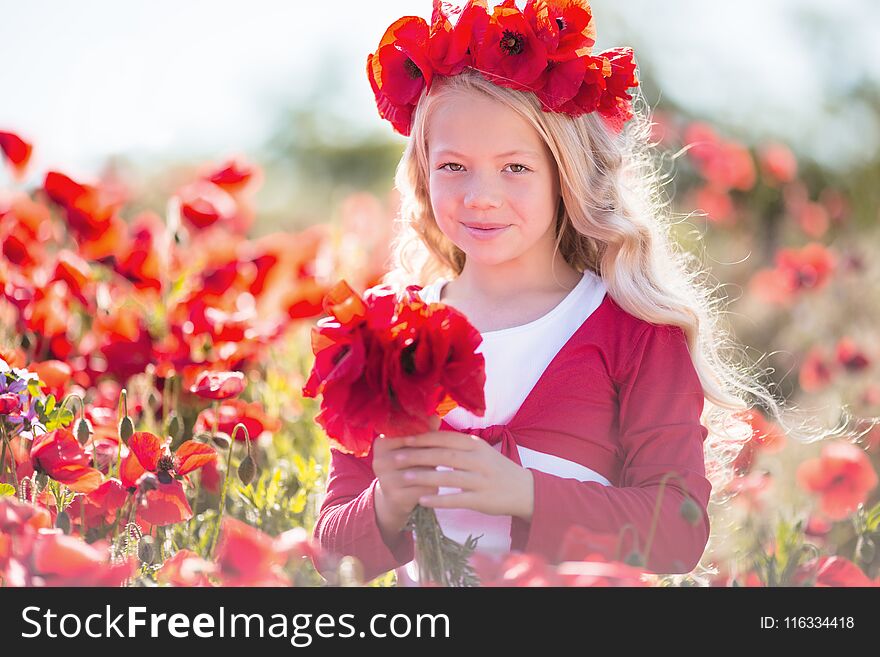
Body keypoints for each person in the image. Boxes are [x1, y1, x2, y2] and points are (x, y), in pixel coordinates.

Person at [311, 0, 789, 585]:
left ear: (565, 174)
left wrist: (525, 492)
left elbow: (679, 531)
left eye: (515, 168)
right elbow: (329, 548)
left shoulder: (634, 330)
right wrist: (386, 502)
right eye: (453, 166)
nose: (480, 195)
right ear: (421, 172)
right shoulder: (386, 338)